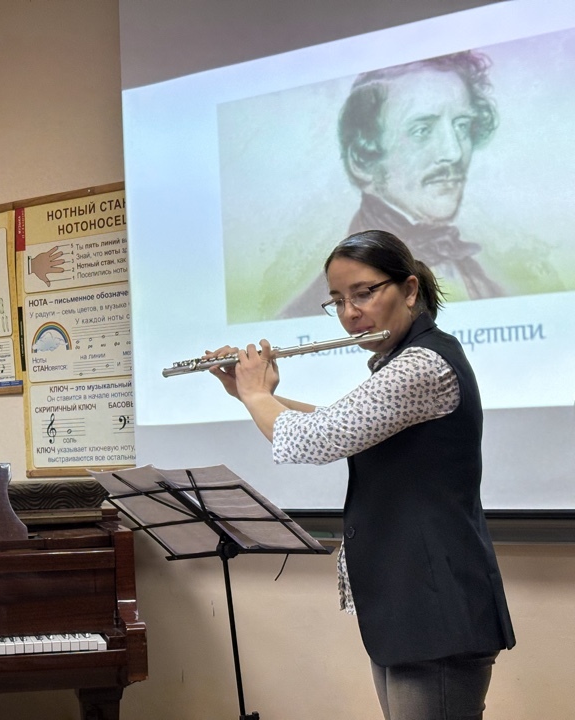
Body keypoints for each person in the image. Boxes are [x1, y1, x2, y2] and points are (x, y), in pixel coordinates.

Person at [208, 230, 514, 719]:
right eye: (337, 301)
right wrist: (250, 396)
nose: (350, 313)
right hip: (413, 603)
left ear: (409, 290)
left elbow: (316, 439)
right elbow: (336, 422)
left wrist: (257, 395)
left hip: (436, 608)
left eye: (364, 293)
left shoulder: (423, 364)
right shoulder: (401, 362)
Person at [280, 51, 504, 318]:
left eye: (462, 126)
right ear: (362, 160)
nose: (453, 153)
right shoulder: (302, 313)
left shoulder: (483, 283)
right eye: (422, 130)